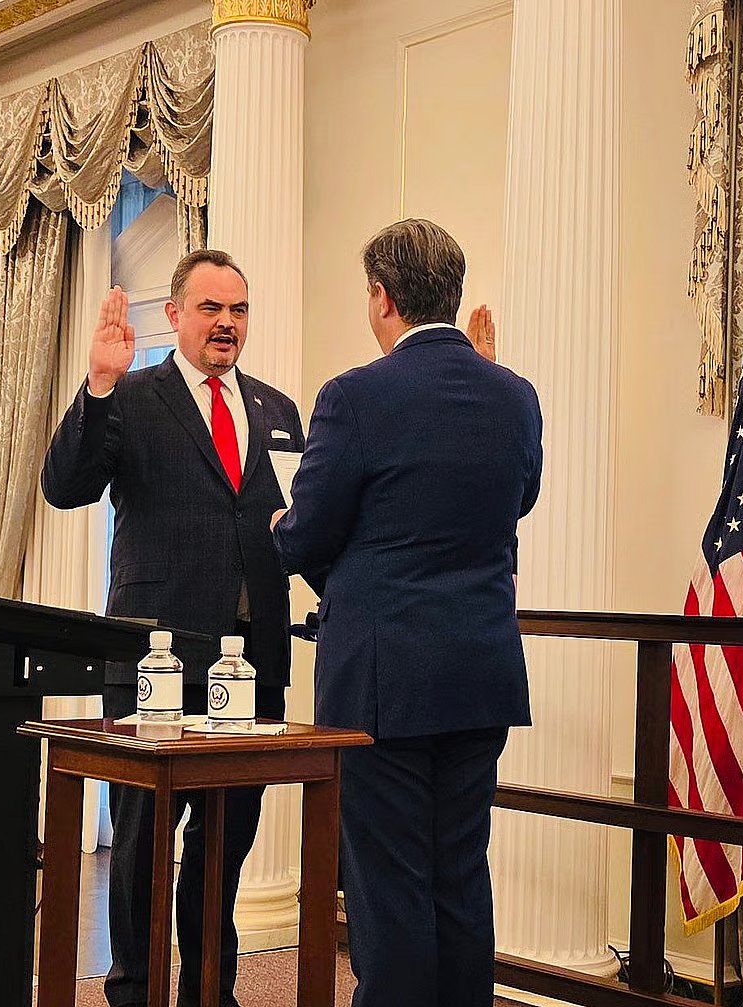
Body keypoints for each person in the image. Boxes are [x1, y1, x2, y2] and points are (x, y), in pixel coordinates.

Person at [271, 219, 543, 1007]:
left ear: (382, 297)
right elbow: (514, 500)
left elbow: (310, 530)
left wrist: (284, 531)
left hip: (385, 681)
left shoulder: (355, 395)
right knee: (459, 874)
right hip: (481, 671)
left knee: (389, 886)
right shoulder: (513, 395)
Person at [41, 249, 304, 1007]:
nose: (228, 324)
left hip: (251, 664)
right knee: (142, 844)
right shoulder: (131, 395)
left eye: (240, 310)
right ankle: (134, 991)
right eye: (213, 308)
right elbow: (65, 487)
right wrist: (96, 385)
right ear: (176, 315)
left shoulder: (278, 409)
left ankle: (209, 991)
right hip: (157, 656)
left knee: (226, 843)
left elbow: (290, 520)